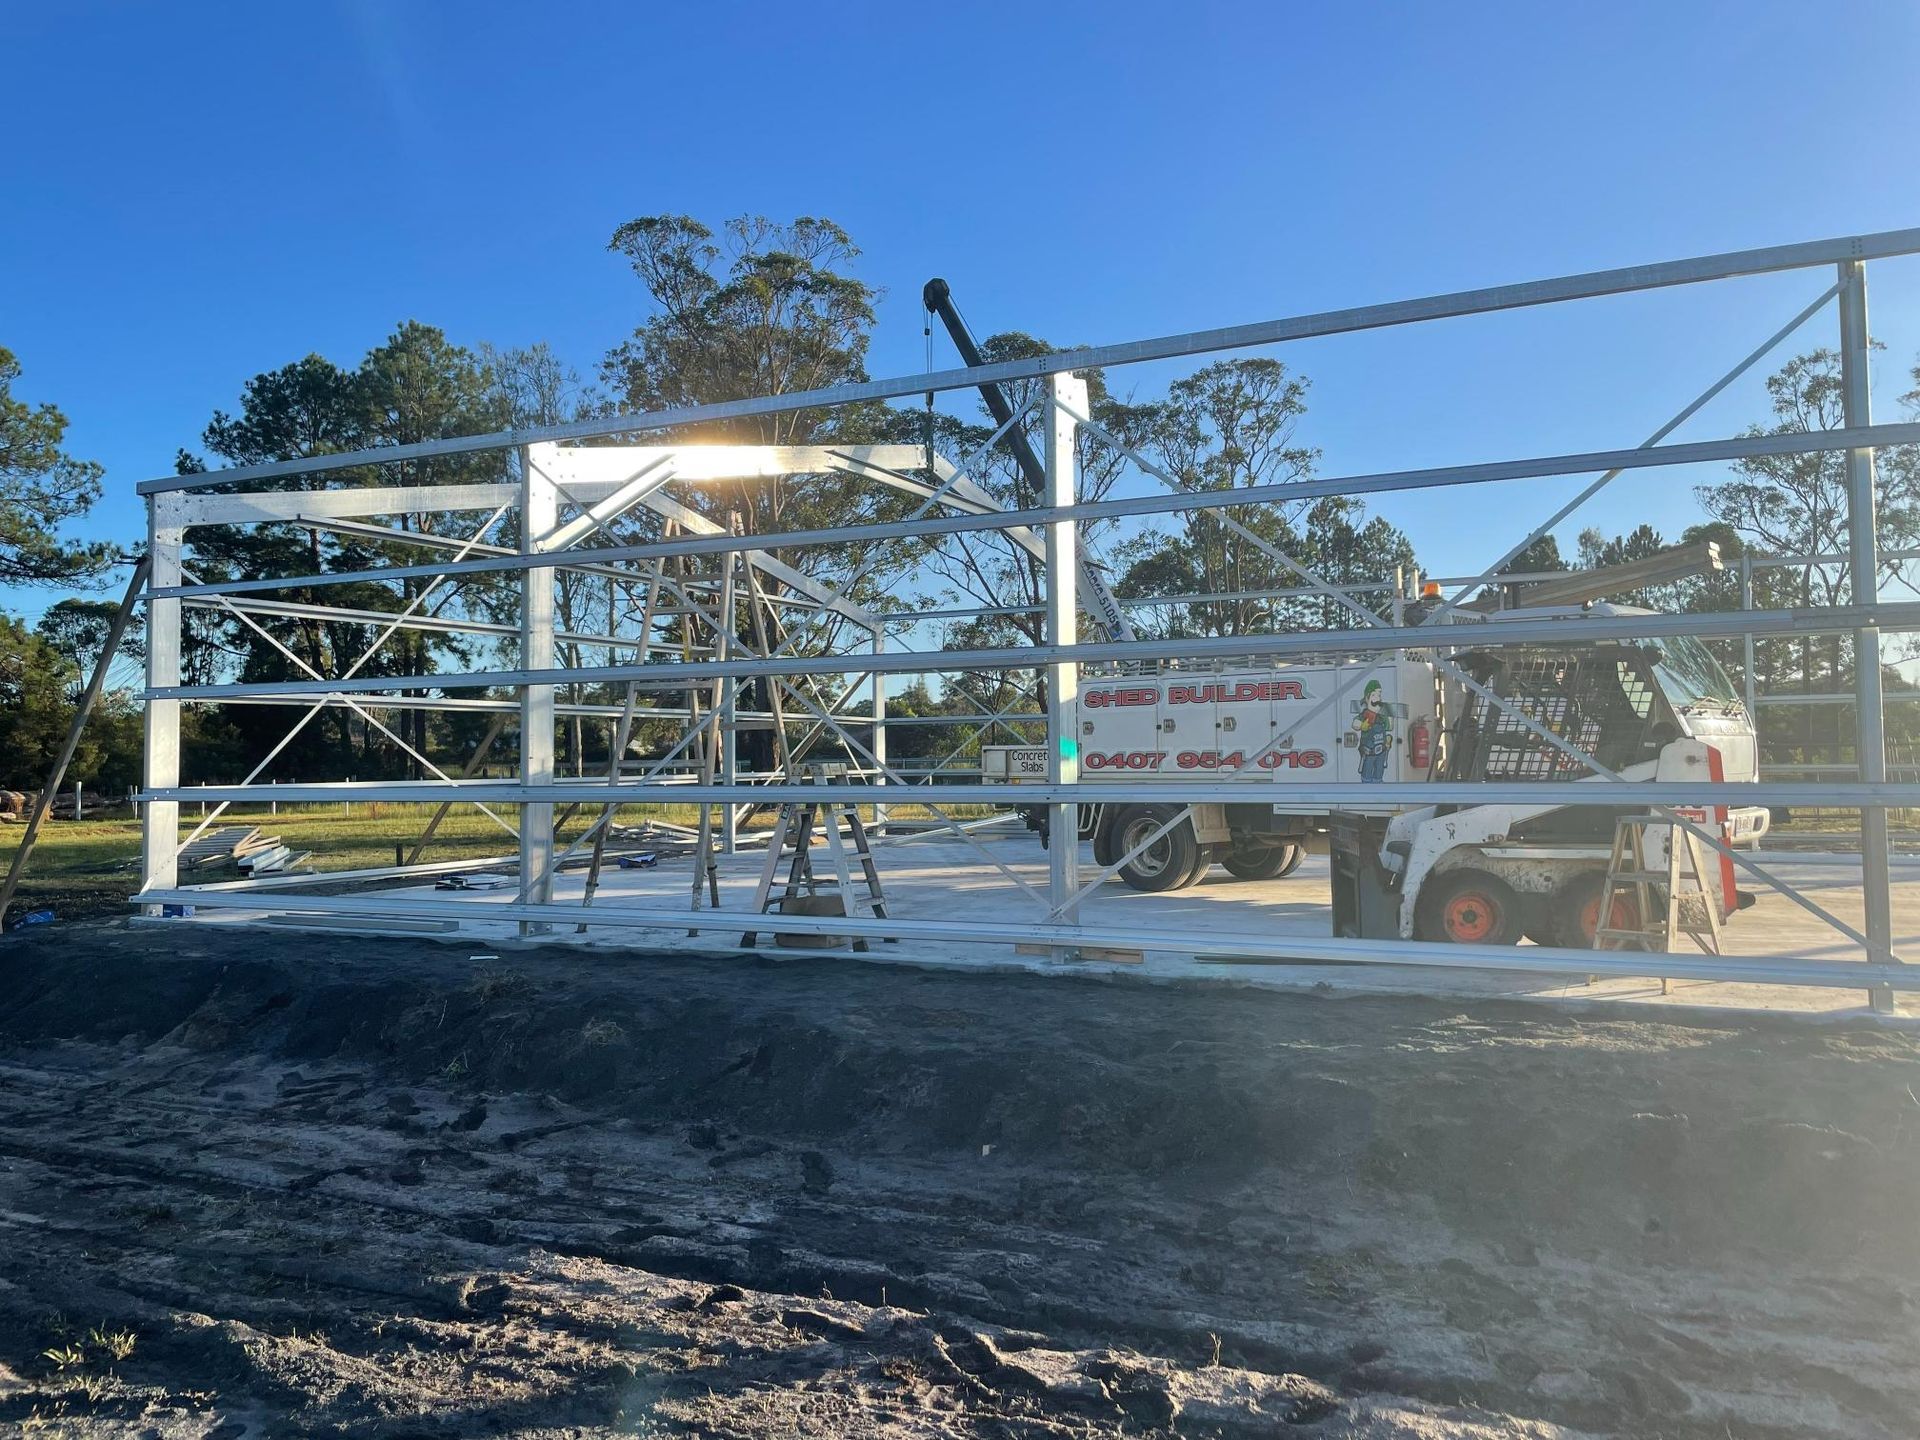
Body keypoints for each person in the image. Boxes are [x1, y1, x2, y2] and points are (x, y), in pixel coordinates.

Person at [1353, 679, 1394, 782]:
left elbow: (1390, 727)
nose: (1377, 699)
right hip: (1368, 753)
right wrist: (1362, 725)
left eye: (1379, 696)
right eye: (1374, 695)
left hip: (1381, 753)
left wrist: (1390, 712)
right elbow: (1355, 724)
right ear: (1367, 698)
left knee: (1378, 777)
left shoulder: (1381, 717)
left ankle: (1379, 795)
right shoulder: (1364, 715)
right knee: (1366, 778)